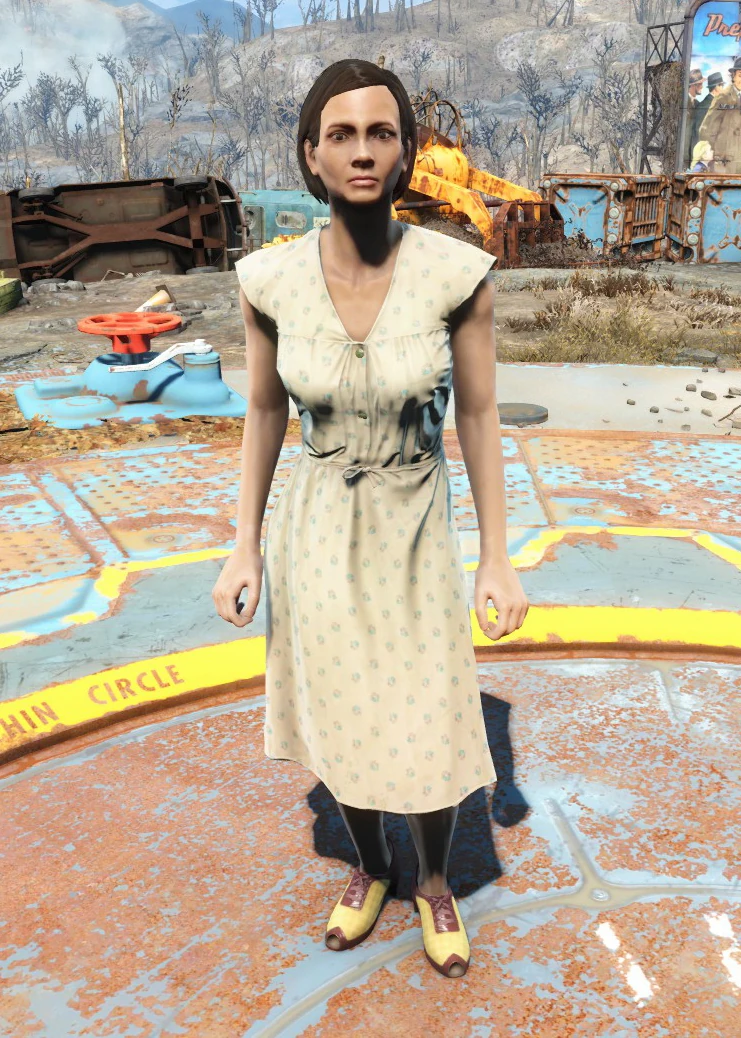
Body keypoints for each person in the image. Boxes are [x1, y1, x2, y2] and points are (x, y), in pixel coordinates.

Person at [213, 58, 528, 980]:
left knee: (426, 711)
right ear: (310, 155)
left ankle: (430, 878)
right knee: (338, 710)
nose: (361, 151)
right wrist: (242, 546)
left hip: (413, 517)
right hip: (314, 525)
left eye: (380, 133)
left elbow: (478, 416)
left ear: (405, 152)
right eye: (341, 134)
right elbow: (264, 412)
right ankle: (370, 865)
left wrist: (496, 557)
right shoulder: (267, 279)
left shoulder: (455, 273)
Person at [698, 57, 741, 174]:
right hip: (725, 165)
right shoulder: (723, 97)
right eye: (740, 75)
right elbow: (706, 130)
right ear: (733, 76)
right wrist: (717, 154)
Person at [684, 68, 706, 169]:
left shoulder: (697, 104)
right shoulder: (683, 102)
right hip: (683, 154)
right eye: (700, 84)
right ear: (693, 85)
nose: (702, 86)